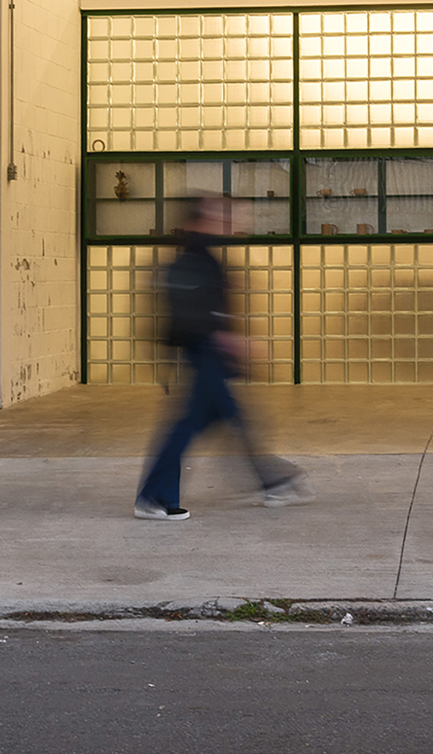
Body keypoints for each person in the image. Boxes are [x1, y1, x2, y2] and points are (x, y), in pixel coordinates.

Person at [133, 196, 313, 519]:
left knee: (207, 420)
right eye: (220, 216)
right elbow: (192, 312)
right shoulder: (192, 259)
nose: (229, 222)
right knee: (210, 420)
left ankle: (269, 481)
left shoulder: (206, 257)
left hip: (209, 350)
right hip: (204, 351)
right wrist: (229, 340)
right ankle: (155, 497)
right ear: (198, 220)